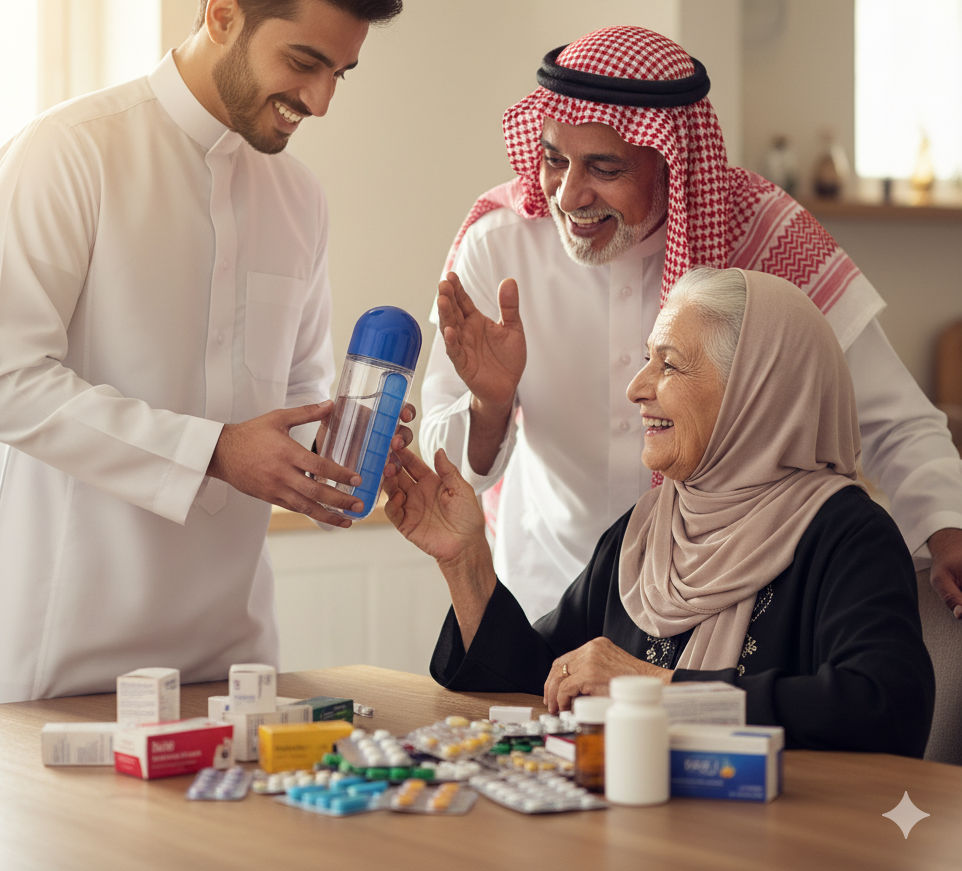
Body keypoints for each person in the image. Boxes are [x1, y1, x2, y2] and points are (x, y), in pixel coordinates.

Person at [0, 0, 407, 707]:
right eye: (304, 61)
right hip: (54, 657)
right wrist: (216, 451)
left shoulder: (298, 196)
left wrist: (344, 447)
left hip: (232, 660)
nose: (322, 100)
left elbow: (296, 394)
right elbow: (3, 386)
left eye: (340, 73)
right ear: (222, 14)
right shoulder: (66, 154)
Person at [420, 26, 962, 622]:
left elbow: (892, 418)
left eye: (604, 167)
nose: (569, 195)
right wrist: (489, 409)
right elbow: (440, 456)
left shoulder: (763, 235)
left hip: (716, 609)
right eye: (553, 159)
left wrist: (947, 529)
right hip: (543, 598)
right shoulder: (499, 243)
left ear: (671, 162)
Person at [389, 268, 935, 756]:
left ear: (755, 389)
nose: (636, 387)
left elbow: (882, 708)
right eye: (646, 359)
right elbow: (541, 676)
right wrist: (466, 561)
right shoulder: (646, 529)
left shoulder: (848, 535)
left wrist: (657, 691)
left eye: (668, 365)